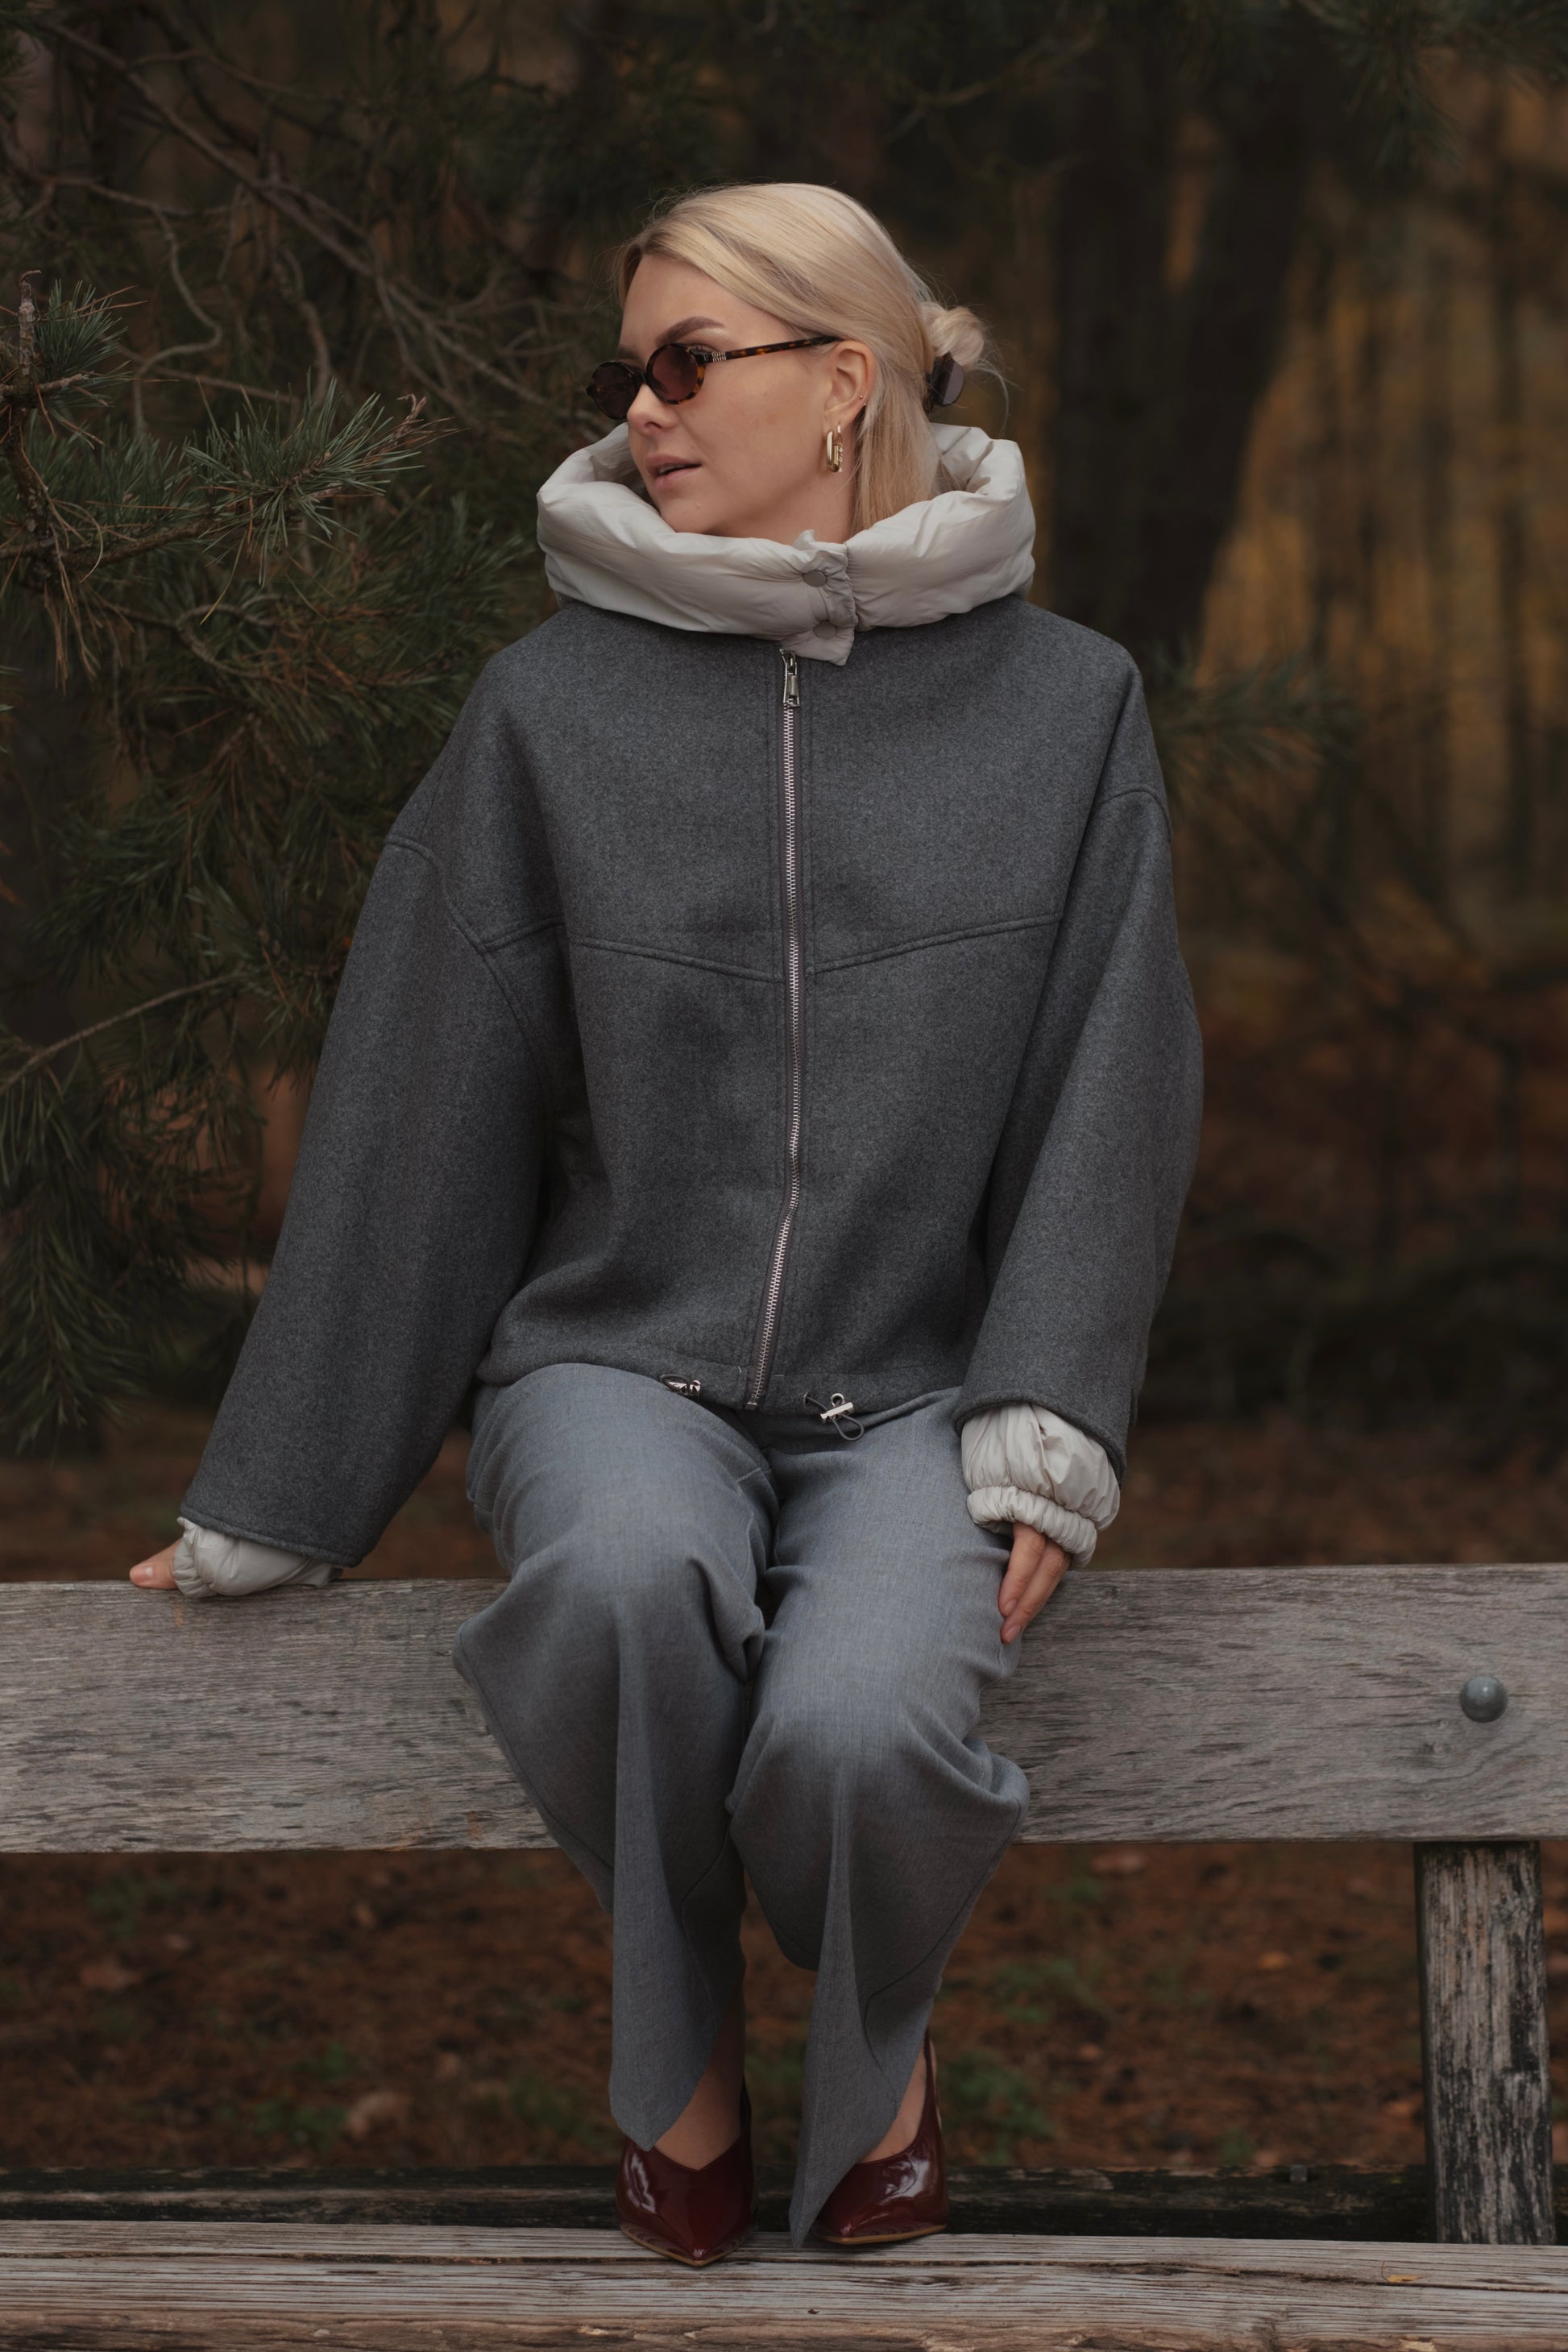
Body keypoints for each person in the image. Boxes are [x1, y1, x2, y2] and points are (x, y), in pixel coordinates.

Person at [130, 180, 1203, 2263]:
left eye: (689, 363)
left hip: (916, 1391)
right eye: (628, 370)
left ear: (846, 383)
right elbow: (421, 1103)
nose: (643, 409)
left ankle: (872, 2052)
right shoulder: (551, 710)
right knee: (621, 1585)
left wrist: (1048, 1412)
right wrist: (282, 1492)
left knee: (860, 1728)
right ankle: (680, 2047)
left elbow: (1118, 1075)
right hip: (614, 1363)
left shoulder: (1064, 710)